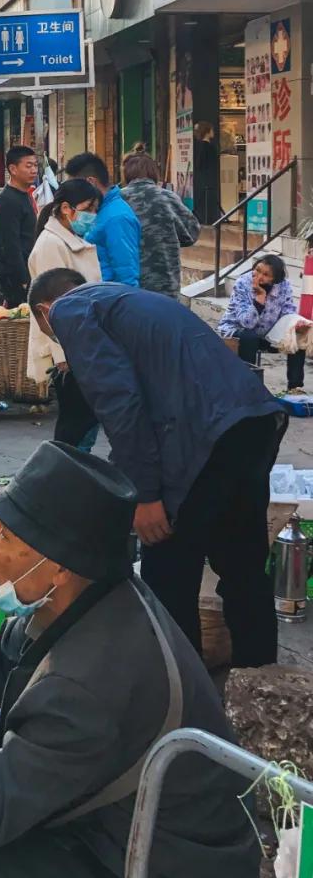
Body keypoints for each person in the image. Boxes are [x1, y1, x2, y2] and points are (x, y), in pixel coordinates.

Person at [0, 440, 260, 878]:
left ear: (58, 564)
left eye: (6, 533)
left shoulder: (87, 684)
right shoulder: (79, 593)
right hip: (113, 834)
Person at [28, 270, 287, 665]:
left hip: (204, 437)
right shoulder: (123, 298)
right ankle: (260, 689)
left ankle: (184, 699)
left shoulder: (71, 310)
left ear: (45, 310)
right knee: (243, 570)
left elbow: (121, 405)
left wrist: (145, 495)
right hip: (252, 423)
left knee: (168, 569)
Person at [26, 179, 102, 450]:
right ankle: (68, 478)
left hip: (82, 344)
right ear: (67, 209)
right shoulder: (51, 245)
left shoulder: (70, 240)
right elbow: (52, 307)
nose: (92, 216)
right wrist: (62, 357)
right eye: (88, 208)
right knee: (77, 425)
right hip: (69, 350)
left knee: (84, 421)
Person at [219, 253, 306, 391]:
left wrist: (295, 324)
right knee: (250, 337)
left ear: (275, 279)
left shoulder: (284, 286)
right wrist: (260, 298)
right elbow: (246, 323)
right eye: (257, 270)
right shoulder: (242, 283)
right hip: (237, 330)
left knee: (296, 337)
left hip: (267, 332)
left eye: (266, 275)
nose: (259, 276)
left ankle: (295, 389)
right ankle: (250, 387)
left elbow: (288, 313)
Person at [121, 152, 200, 298]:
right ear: (153, 172)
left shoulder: (119, 199)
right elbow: (191, 233)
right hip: (165, 284)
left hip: (128, 285)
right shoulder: (168, 197)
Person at [65, 152, 141, 287]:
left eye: (77, 186)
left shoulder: (117, 217)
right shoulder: (98, 210)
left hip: (107, 298)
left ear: (90, 182)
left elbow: (126, 274)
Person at [0, 146, 37, 307]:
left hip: (28, 271)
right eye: (28, 166)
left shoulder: (24, 196)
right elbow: (9, 246)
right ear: (13, 169)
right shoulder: (8, 202)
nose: (34, 170)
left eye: (35, 165)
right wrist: (23, 279)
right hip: (16, 278)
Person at [193, 121, 220, 225]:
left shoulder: (198, 146)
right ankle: (209, 219)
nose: (213, 132)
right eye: (212, 130)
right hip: (208, 179)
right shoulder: (208, 147)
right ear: (207, 132)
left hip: (201, 180)